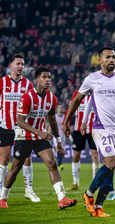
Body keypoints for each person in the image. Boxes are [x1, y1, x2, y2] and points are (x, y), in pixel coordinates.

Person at [62, 47, 115, 217]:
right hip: (101, 128)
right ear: (100, 60)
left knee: (111, 169)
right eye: (108, 57)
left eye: (113, 57)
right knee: (111, 163)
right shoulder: (92, 79)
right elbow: (77, 99)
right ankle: (88, 194)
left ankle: (98, 207)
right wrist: (66, 123)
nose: (112, 60)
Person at [0, 68, 77, 209]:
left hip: (40, 137)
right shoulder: (27, 97)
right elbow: (20, 121)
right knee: (15, 168)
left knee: (52, 163)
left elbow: (53, 122)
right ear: (37, 79)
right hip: (24, 136)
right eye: (44, 77)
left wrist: (58, 141)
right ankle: (3, 198)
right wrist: (39, 132)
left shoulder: (51, 98)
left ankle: (62, 198)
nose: (48, 79)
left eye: (49, 77)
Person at [82, 56, 115, 200]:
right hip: (105, 127)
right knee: (111, 162)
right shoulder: (100, 81)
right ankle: (108, 190)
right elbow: (90, 103)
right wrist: (84, 121)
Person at [0, 54, 40, 202]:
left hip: (22, 127)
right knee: (3, 159)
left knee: (27, 159)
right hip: (5, 126)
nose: (20, 67)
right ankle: (0, 191)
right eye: (18, 64)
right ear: (11, 66)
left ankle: (29, 190)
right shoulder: (2, 82)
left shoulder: (28, 84)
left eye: (22, 64)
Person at [62, 88, 100, 191]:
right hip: (78, 129)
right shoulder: (77, 94)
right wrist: (67, 124)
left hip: (93, 130)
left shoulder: (98, 94)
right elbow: (71, 109)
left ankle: (95, 183)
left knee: (95, 156)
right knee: (76, 156)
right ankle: (75, 183)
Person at [49, 104, 67, 171]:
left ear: (63, 109)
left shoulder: (64, 117)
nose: (60, 109)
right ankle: (59, 164)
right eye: (59, 108)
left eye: (61, 107)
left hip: (63, 135)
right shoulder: (55, 116)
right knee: (57, 149)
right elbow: (51, 125)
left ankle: (59, 163)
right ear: (57, 109)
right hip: (56, 135)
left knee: (61, 150)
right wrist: (48, 133)